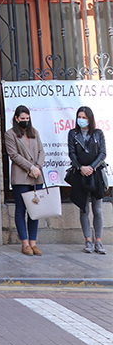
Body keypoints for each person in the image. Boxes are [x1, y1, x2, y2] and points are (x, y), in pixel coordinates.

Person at [3, 105, 46, 256]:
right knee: (21, 210)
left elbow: (41, 151)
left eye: (27, 119)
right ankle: (25, 243)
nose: (25, 121)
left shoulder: (35, 133)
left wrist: (38, 167)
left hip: (36, 176)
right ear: (16, 118)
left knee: (34, 210)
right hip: (21, 177)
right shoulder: (10, 134)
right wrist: (30, 168)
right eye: (22, 119)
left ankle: (34, 243)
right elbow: (14, 155)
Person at [67, 106, 106, 255]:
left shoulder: (98, 133)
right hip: (80, 174)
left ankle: (99, 241)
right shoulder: (73, 134)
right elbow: (72, 153)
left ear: (90, 119)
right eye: (79, 117)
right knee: (84, 209)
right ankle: (88, 240)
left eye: (84, 117)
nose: (81, 120)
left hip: (95, 175)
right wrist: (81, 167)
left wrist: (92, 167)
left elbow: (103, 153)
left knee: (98, 210)